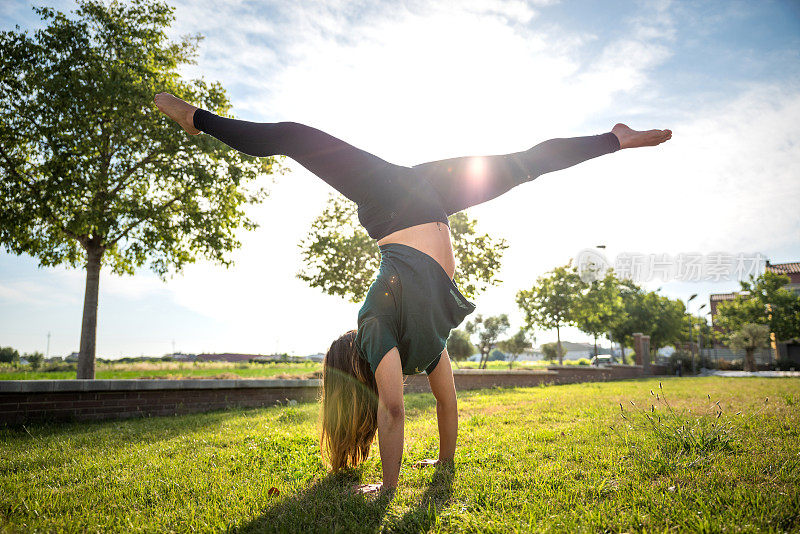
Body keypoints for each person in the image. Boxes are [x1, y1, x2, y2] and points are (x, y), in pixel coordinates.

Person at [154, 92, 671, 493]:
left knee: (296, 136)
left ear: (364, 365)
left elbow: (396, 412)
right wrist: (443, 463)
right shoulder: (425, 341)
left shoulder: (375, 325)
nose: (389, 382)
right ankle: (615, 139)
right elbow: (447, 405)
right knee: (524, 165)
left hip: (389, 202)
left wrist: (390, 486)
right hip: (428, 198)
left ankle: (195, 119)